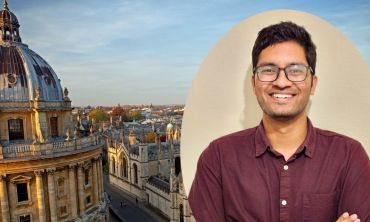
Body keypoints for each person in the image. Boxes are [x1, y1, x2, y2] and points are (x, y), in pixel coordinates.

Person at [188, 21, 370, 222]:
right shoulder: (217, 159)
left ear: (312, 84)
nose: (281, 82)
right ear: (254, 83)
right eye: (268, 70)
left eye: (295, 70)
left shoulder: (349, 158)